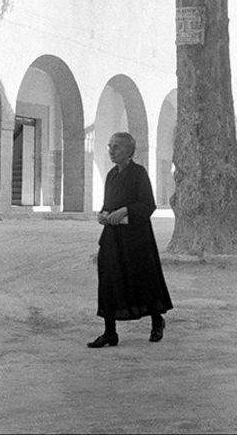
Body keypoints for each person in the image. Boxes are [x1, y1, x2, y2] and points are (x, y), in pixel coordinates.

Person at [88, 132, 173, 348]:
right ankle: (110, 332)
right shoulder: (111, 175)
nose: (111, 150)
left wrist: (125, 211)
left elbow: (148, 205)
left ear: (129, 150)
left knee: (143, 279)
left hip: (136, 238)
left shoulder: (139, 173)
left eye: (116, 147)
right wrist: (103, 214)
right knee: (108, 280)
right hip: (112, 237)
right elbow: (108, 204)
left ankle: (156, 321)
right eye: (110, 146)